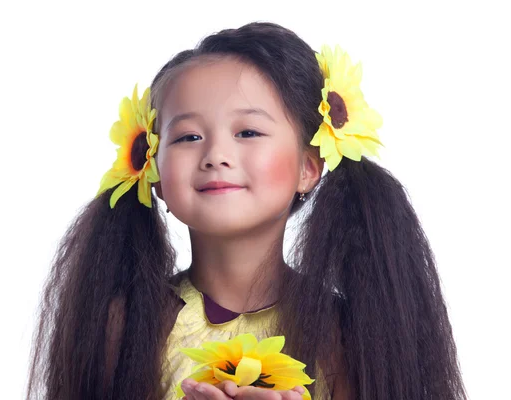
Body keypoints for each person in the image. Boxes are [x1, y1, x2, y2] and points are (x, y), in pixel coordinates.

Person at [26, 22, 467, 400]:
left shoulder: (348, 335)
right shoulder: (122, 328)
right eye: (188, 137)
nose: (216, 153)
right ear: (152, 172)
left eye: (249, 131)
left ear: (308, 167)